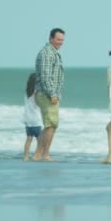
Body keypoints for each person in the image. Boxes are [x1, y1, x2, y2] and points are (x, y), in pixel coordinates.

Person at [32, 28, 65, 162]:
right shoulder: (47, 53)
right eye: (58, 39)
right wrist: (52, 94)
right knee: (51, 124)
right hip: (47, 94)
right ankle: (43, 154)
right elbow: (45, 77)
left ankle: (38, 155)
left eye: (62, 40)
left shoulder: (53, 52)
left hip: (49, 93)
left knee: (51, 125)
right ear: (51, 39)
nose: (60, 42)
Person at [22, 73, 43, 161]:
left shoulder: (26, 92)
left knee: (28, 139)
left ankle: (25, 157)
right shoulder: (36, 93)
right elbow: (38, 104)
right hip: (36, 119)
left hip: (28, 119)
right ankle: (38, 156)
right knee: (40, 140)